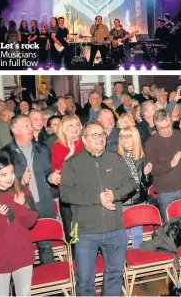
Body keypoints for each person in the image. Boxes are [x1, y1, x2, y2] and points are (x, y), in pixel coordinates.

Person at [60, 120, 136, 296]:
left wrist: (114, 195)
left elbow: (131, 183)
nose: (100, 138)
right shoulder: (73, 163)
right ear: (84, 139)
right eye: (95, 135)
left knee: (115, 275)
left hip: (115, 229)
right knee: (85, 281)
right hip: (87, 231)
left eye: (102, 134)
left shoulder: (115, 158)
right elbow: (66, 194)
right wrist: (97, 198)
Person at [0, 115, 56, 265]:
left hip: (42, 202)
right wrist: (21, 182)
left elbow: (48, 171)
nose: (31, 128)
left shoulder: (42, 148)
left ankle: (49, 283)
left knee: (46, 246)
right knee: (20, 246)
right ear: (14, 129)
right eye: (27, 126)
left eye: (31, 125)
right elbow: (2, 185)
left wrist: (51, 178)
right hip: (21, 205)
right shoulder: (6, 153)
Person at [0, 157, 38, 297]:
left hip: (22, 254)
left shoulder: (22, 191)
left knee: (24, 294)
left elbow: (31, 222)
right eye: (3, 174)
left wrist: (20, 208)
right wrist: (0, 216)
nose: (10, 177)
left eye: (12, 172)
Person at [145, 109, 181, 220]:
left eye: (168, 126)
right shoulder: (151, 143)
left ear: (171, 122)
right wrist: (171, 164)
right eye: (161, 128)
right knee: (171, 228)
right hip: (166, 193)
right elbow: (152, 170)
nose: (166, 130)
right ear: (156, 127)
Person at [118, 126, 153, 250]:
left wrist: (147, 174)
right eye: (122, 137)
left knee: (138, 234)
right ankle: (124, 260)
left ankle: (138, 258)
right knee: (125, 235)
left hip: (139, 200)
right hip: (124, 201)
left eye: (128, 136)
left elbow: (147, 184)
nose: (125, 139)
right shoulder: (117, 159)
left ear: (135, 138)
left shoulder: (142, 158)